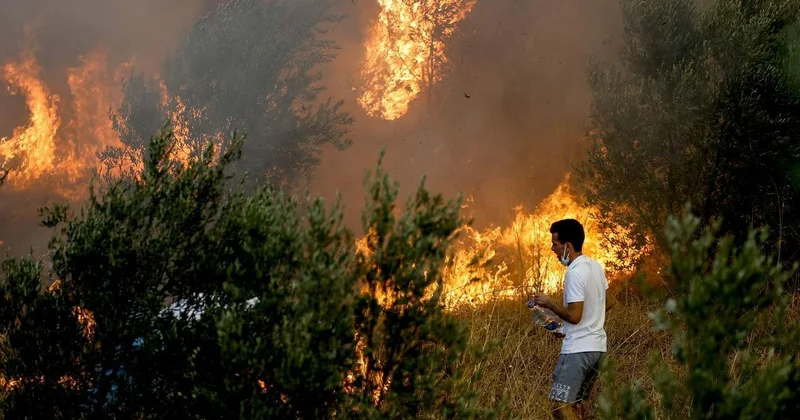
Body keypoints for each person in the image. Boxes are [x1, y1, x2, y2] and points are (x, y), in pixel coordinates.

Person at [533, 218, 614, 420]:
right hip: (597, 349)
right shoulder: (595, 266)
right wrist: (568, 328)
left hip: (577, 351)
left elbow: (574, 316)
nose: (553, 249)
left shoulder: (574, 273)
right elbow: (609, 302)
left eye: (555, 244)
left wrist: (549, 303)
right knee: (575, 406)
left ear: (567, 246)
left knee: (560, 407)